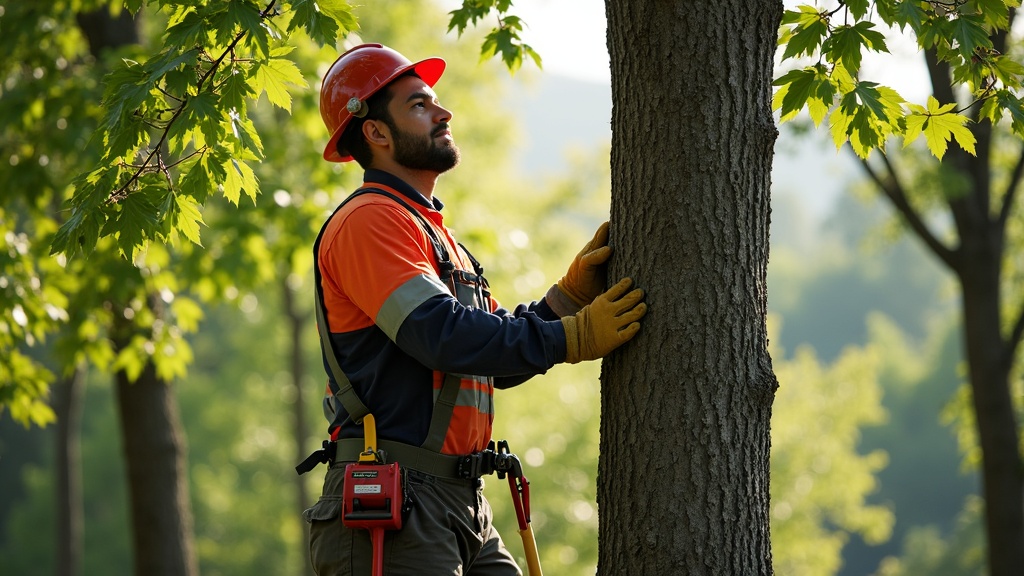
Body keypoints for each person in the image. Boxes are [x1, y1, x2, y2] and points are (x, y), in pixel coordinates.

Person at [300, 43, 648, 576]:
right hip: (393, 508)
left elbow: (487, 357)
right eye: (419, 105)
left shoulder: (432, 234)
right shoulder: (369, 222)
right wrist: (573, 337)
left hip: (458, 506)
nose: (444, 113)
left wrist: (567, 300)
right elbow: (442, 335)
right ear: (375, 132)